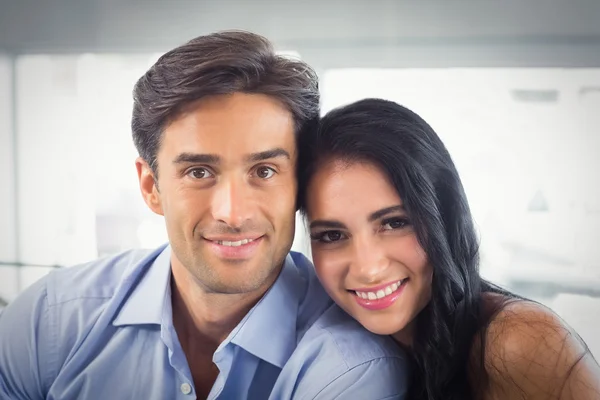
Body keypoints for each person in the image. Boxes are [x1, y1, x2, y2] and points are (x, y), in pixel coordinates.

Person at [0, 33, 408, 399]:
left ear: (299, 186)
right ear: (151, 187)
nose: (233, 213)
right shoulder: (47, 322)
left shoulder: (353, 367)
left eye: (264, 171)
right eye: (199, 172)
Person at [297, 98, 600, 399]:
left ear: (444, 215)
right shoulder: (332, 357)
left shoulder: (516, 341)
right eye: (333, 235)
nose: (367, 268)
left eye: (394, 223)